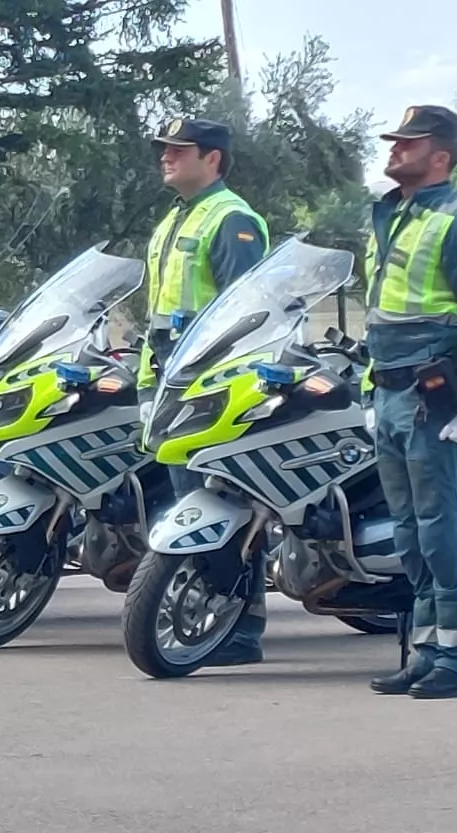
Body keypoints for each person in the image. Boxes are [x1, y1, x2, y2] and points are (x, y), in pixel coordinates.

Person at [364, 106, 457, 699]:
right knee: (409, 534)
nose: (395, 150)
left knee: (442, 529)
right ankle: (429, 649)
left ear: (440, 156)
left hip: (433, 398)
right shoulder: (395, 215)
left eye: (409, 143)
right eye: (395, 142)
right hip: (391, 390)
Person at [139, 117, 271, 664]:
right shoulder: (174, 218)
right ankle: (199, 615)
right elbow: (158, 313)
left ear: (212, 158)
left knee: (228, 506)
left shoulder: (232, 218)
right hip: (173, 382)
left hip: (215, 387)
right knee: (187, 504)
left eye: (179, 149)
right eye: (164, 148)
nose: (166, 156)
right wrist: (149, 382)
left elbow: (246, 312)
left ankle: (241, 626)